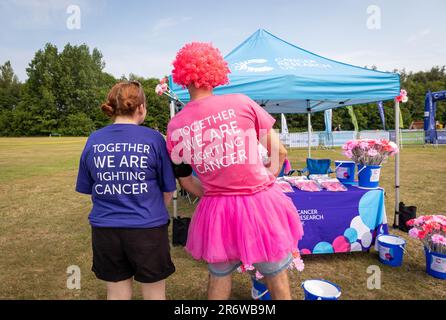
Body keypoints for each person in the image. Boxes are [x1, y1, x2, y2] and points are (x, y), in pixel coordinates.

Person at [166, 42, 304, 300]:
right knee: (276, 274)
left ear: (183, 77)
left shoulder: (175, 126)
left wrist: (213, 194)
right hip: (260, 204)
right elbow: (280, 152)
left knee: (219, 276)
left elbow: (185, 181)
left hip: (216, 210)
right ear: (214, 72)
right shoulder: (241, 103)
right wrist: (264, 180)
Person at [76, 81, 176, 300]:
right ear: (140, 107)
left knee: (117, 293)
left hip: (106, 230)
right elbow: (168, 189)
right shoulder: (154, 139)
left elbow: (91, 188)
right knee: (154, 293)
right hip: (147, 229)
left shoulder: (94, 140)